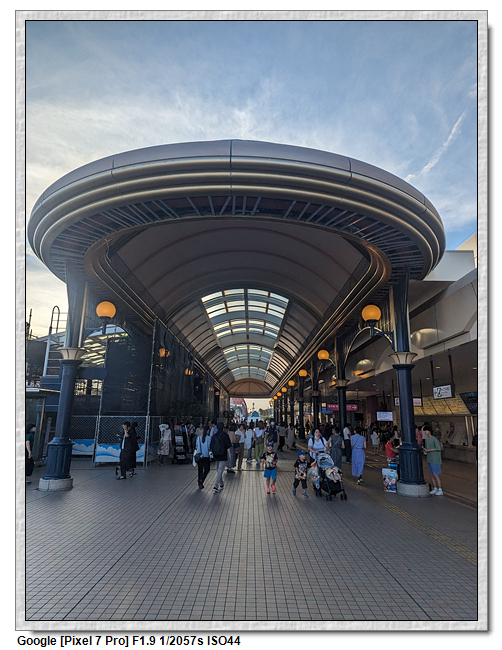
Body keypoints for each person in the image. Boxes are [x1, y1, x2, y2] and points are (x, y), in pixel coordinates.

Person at [210, 422, 232, 493]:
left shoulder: (214, 436)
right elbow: (228, 446)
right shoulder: (225, 435)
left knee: (218, 470)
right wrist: (229, 455)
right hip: (223, 455)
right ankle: (216, 486)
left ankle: (221, 483)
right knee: (220, 470)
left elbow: (211, 446)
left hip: (216, 455)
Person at [422, 425, 443, 495]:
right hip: (429, 458)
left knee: (435, 474)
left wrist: (428, 450)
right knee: (431, 474)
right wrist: (425, 451)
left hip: (435, 459)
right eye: (424, 431)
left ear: (430, 431)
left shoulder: (434, 439)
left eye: (426, 430)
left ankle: (440, 489)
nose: (425, 432)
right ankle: (435, 488)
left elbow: (438, 448)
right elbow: (427, 448)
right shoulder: (427, 439)